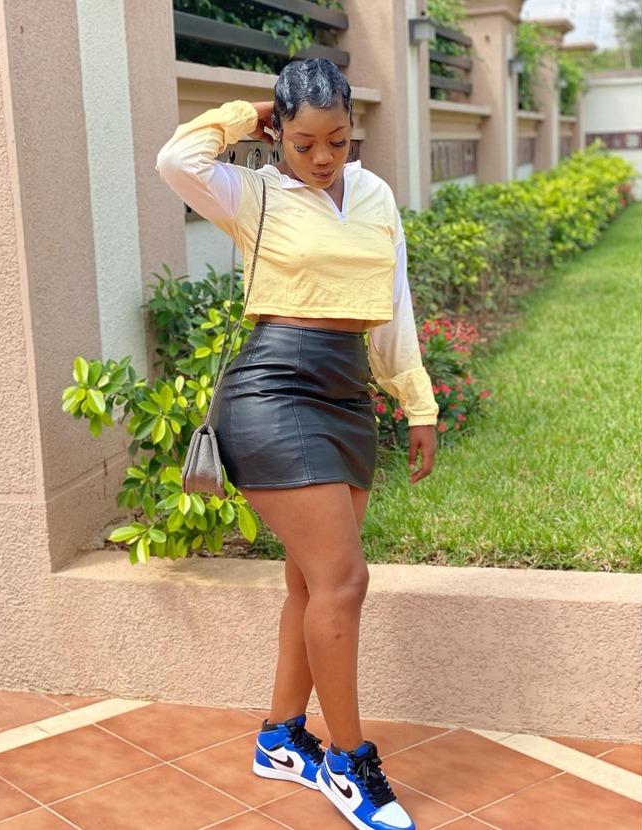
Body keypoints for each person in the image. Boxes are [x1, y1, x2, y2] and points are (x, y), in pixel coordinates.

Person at [157, 59, 438, 830]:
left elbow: (394, 304)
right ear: (277, 133)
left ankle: (281, 739)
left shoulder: (375, 195)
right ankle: (347, 762)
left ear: (353, 132)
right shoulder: (252, 194)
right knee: (345, 579)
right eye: (303, 142)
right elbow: (176, 160)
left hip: (347, 393)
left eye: (337, 141)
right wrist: (246, 113)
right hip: (273, 390)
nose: (321, 158)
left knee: (313, 584)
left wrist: (417, 403)